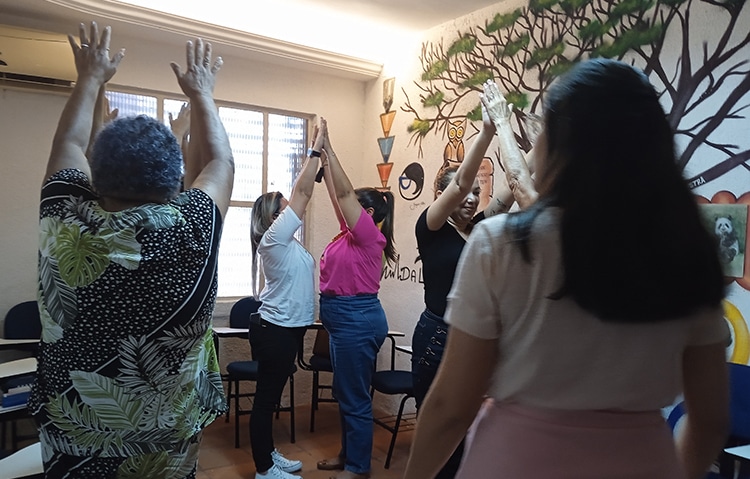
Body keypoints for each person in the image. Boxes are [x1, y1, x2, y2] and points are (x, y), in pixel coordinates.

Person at [403, 58, 730, 479]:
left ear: (560, 146)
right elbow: (710, 421)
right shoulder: (689, 252)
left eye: (541, 129)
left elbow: (451, 407)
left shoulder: (500, 243)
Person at [31, 21, 234, 478]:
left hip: (74, 441)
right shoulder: (193, 227)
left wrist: (89, 77)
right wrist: (201, 92)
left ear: (94, 180)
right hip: (166, 446)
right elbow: (220, 162)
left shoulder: (65, 222)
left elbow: (68, 143)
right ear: (172, 185)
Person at [410, 79, 536, 478]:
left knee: (467, 429)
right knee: (440, 425)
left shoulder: (479, 227)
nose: (469, 197)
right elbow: (463, 181)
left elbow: (513, 192)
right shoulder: (430, 226)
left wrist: (536, 146)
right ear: (442, 197)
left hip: (468, 334)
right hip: (436, 335)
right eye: (459, 193)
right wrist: (486, 129)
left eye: (475, 192)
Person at [314, 118, 396, 479]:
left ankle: (358, 467)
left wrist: (330, 148)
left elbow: (346, 197)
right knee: (345, 393)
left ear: (369, 215)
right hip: (343, 321)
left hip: (356, 320)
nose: (344, 210)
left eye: (354, 209)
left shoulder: (368, 239)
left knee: (354, 398)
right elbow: (338, 195)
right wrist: (324, 158)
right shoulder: (348, 235)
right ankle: (348, 456)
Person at [247, 120, 326, 479]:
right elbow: (304, 193)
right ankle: (264, 469)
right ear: (273, 216)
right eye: (283, 206)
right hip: (274, 329)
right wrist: (315, 150)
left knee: (272, 399)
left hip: (287, 329)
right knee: (265, 402)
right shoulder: (273, 239)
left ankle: (268, 453)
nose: (291, 208)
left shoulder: (287, 242)